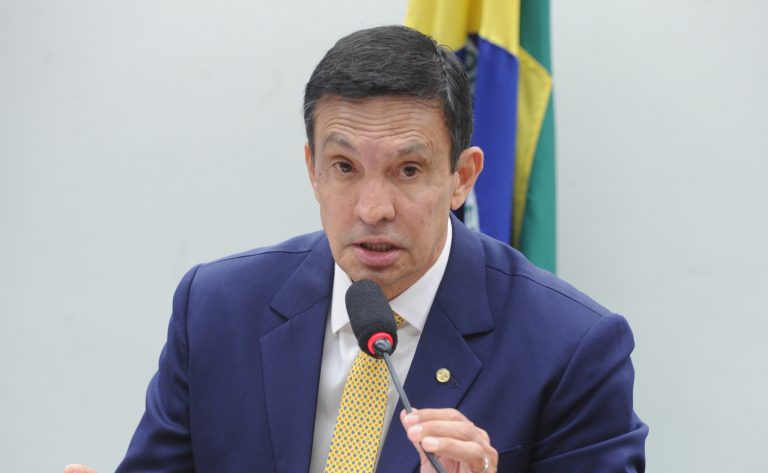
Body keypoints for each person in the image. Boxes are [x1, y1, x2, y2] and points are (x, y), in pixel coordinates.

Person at [65, 25, 647, 473]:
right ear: (312, 170)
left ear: (462, 178)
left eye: (408, 170)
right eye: (344, 167)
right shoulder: (217, 309)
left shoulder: (572, 348)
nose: (372, 209)